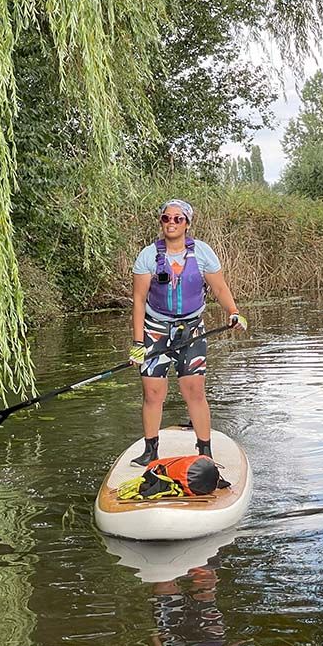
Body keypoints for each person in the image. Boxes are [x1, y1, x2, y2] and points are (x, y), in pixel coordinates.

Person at [128, 199, 247, 466]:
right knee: (152, 393)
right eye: (166, 218)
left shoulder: (202, 252)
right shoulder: (148, 255)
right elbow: (138, 300)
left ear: (187, 224)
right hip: (155, 330)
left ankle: (205, 451)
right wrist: (137, 342)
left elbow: (220, 289)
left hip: (191, 329)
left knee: (194, 390)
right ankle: (150, 450)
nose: (171, 223)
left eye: (177, 219)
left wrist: (233, 312)